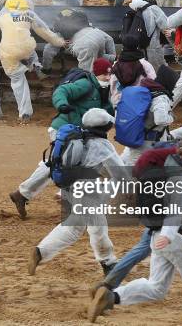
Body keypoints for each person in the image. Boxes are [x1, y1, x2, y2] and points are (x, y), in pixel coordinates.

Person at [88, 139, 182, 326]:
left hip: (156, 236)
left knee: (157, 287)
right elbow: (176, 210)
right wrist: (168, 235)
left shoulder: (164, 171)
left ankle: (113, 297)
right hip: (174, 239)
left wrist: (164, 235)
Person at [103, 122, 182, 293]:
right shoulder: (180, 154)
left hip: (160, 209)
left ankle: (108, 284)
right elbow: (147, 160)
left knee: (145, 245)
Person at [28, 109, 127, 277]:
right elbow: (121, 175)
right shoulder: (103, 146)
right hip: (87, 192)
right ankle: (108, 263)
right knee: (93, 228)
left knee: (76, 225)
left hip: (69, 187)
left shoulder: (76, 138)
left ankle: (41, 252)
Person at [9, 61, 113, 219]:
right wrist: (62, 105)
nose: (107, 77)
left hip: (77, 133)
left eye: (109, 73)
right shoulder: (86, 84)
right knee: (66, 164)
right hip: (64, 129)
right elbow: (62, 91)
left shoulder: (103, 90)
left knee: (56, 163)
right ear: (96, 73)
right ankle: (71, 206)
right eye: (104, 74)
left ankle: (22, 194)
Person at [0, 0, 66, 123]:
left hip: (8, 52)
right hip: (25, 49)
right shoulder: (29, 14)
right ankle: (35, 65)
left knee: (17, 80)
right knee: (29, 47)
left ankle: (24, 113)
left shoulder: (2, 17)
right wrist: (60, 42)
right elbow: (45, 32)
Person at [42, 9, 116, 73]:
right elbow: (110, 39)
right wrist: (113, 59)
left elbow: (47, 50)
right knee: (96, 55)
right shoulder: (91, 27)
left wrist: (46, 69)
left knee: (86, 75)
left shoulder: (60, 33)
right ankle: (116, 61)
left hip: (84, 46)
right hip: (97, 35)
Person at [127, 0, 169, 70]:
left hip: (135, 48)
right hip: (152, 49)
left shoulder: (132, 8)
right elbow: (166, 27)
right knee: (161, 72)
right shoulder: (153, 8)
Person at [109, 35, 157, 106]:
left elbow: (112, 85)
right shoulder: (144, 64)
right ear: (137, 46)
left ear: (123, 47)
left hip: (120, 105)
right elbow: (154, 82)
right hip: (141, 104)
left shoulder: (116, 65)